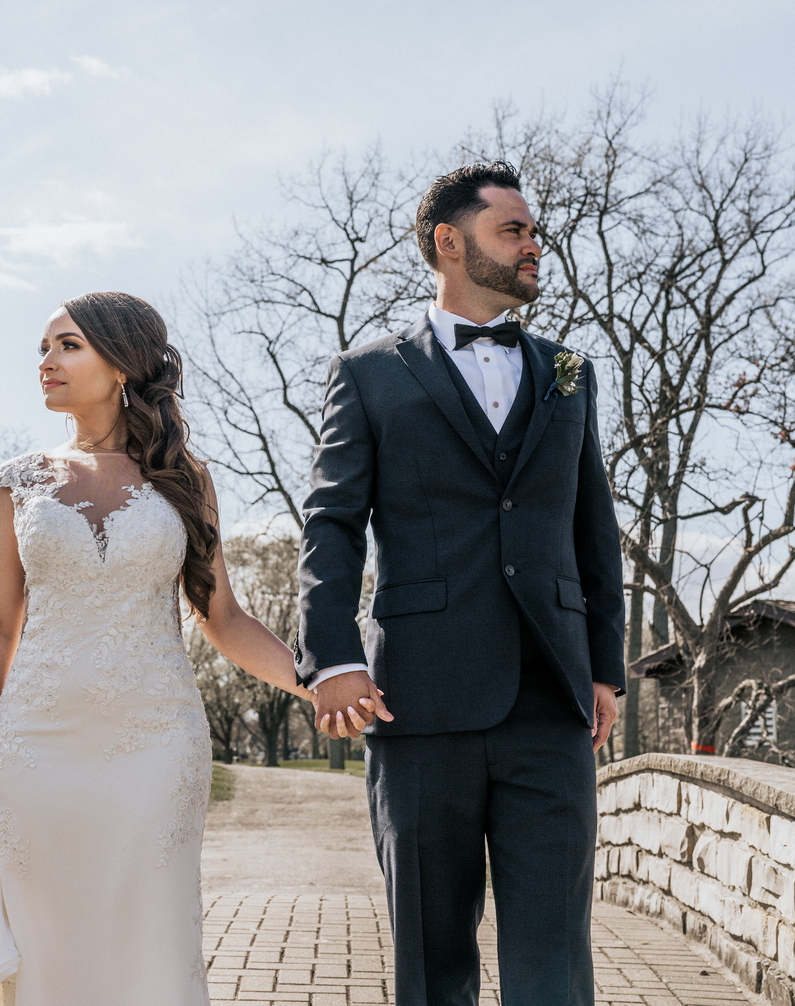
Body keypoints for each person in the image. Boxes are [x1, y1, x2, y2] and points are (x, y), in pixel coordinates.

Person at [0, 292, 319, 1006]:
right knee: (47, 943)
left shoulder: (186, 479)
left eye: (66, 346)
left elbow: (223, 617)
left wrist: (315, 683)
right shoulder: (20, 482)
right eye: (43, 350)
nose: (46, 362)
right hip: (36, 749)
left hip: (156, 746)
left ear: (121, 364)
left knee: (151, 936)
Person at [296, 161, 626, 1006]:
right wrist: (330, 655)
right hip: (420, 701)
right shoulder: (368, 375)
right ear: (450, 242)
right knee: (433, 958)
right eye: (513, 230)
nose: (534, 245)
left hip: (552, 703)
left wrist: (605, 666)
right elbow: (330, 525)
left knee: (555, 961)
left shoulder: (569, 372)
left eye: (533, 231)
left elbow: (593, 529)